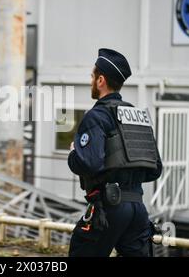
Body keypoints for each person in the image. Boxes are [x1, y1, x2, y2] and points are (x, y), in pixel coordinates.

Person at [67, 48, 162, 257]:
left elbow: (89, 163)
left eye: (93, 76)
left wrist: (74, 154)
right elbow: (155, 169)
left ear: (101, 81)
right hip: (138, 209)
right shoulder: (137, 116)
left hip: (109, 208)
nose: (91, 81)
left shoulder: (96, 116)